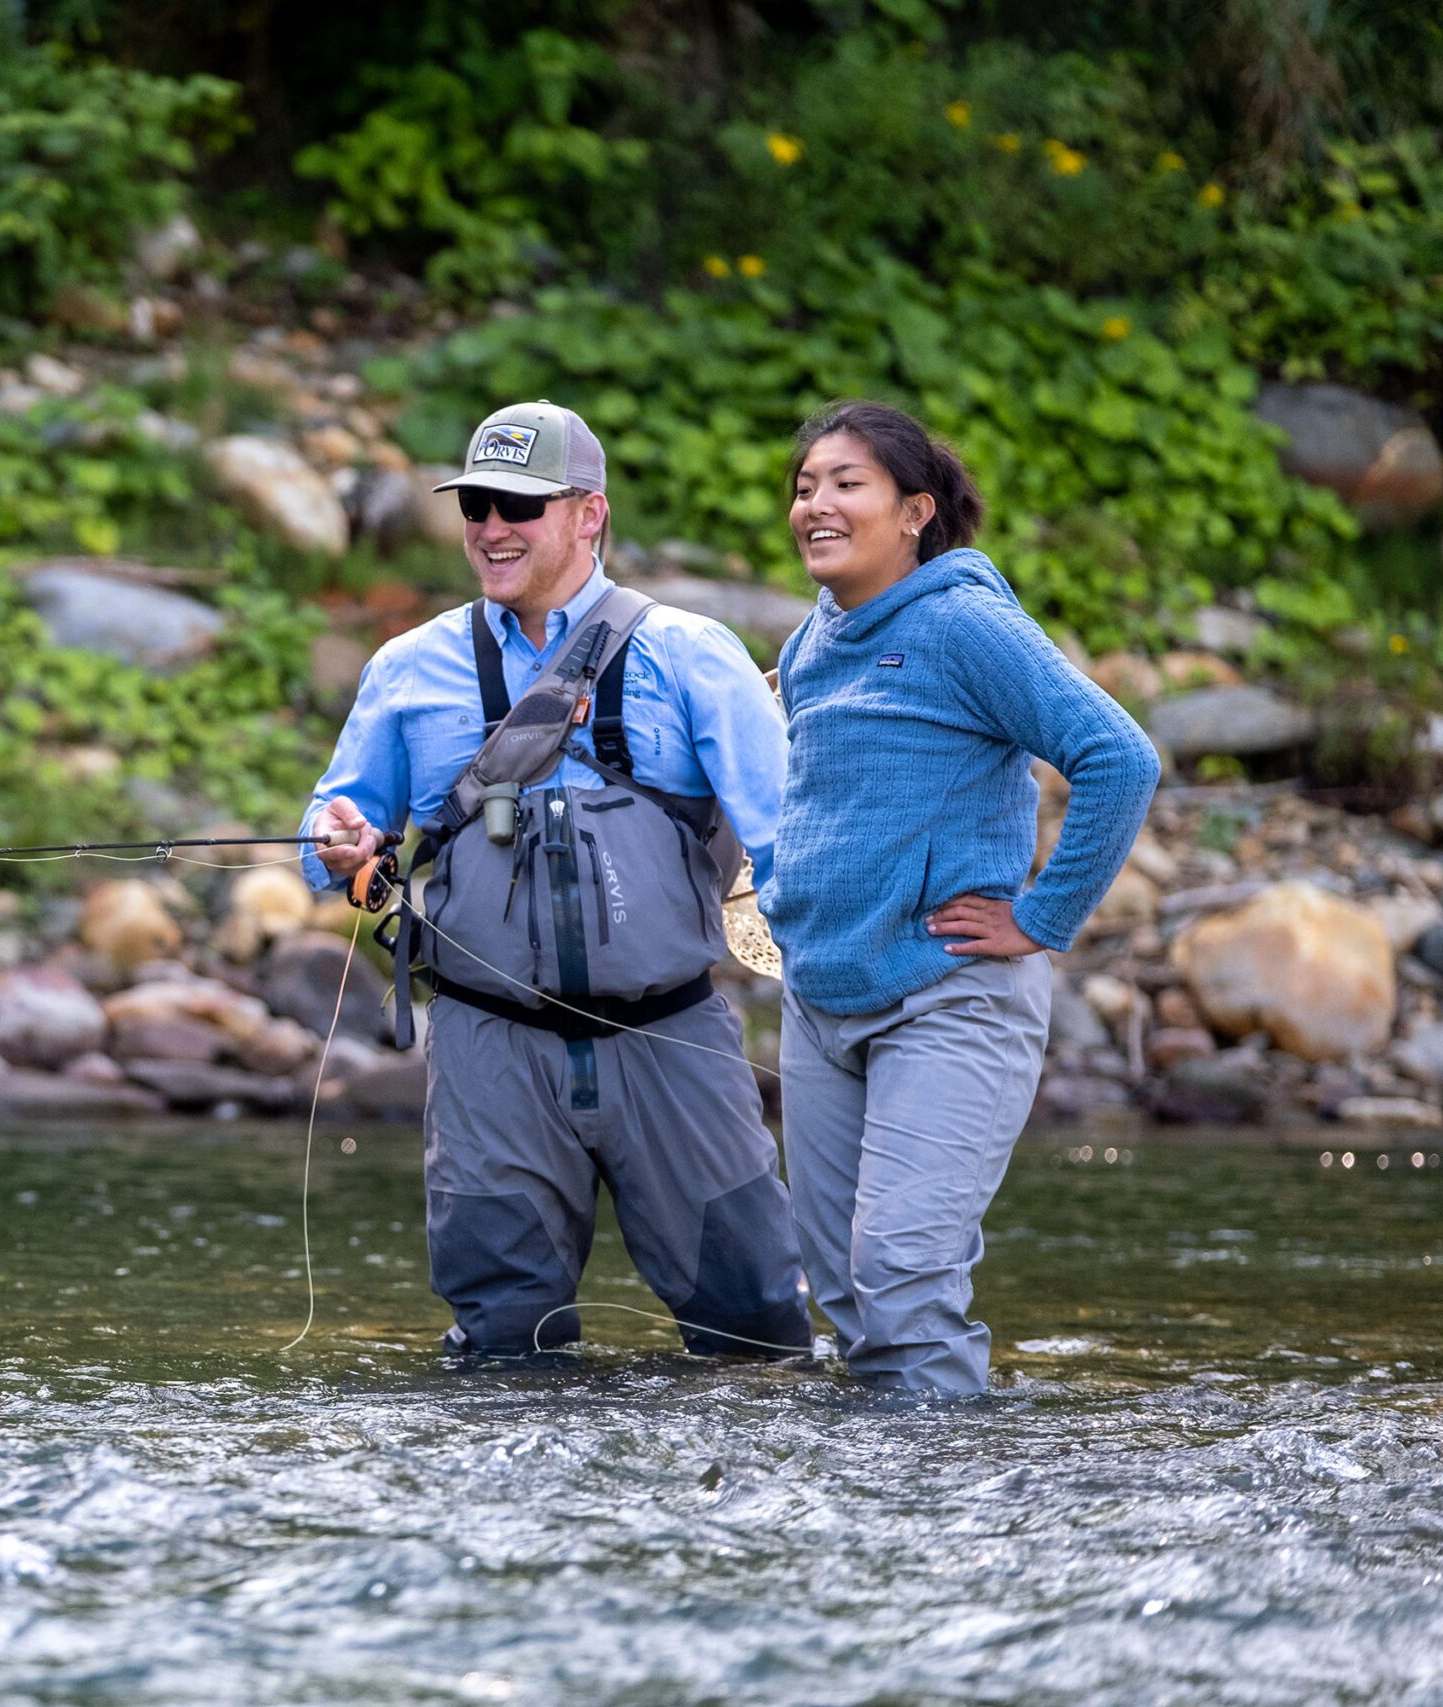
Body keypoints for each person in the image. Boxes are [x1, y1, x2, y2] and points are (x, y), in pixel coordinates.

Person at [304, 401, 811, 1360]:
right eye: (477, 504)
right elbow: (331, 822)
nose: (491, 527)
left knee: (756, 1328)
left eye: (520, 505)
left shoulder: (692, 653)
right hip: (488, 1046)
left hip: (672, 1033)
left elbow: (792, 843)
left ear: (589, 515)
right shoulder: (408, 668)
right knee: (502, 1342)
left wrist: (842, 994)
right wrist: (340, 843)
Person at [763, 399, 1160, 1397]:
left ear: (914, 510)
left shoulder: (962, 623)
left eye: (846, 483)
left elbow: (1118, 758)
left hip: (948, 996)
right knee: (850, 1297)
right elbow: (812, 792)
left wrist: (1039, 917)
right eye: (805, 485)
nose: (816, 503)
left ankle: (949, 1501)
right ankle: (877, 1513)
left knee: (901, 1274)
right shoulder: (812, 643)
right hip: (820, 1004)